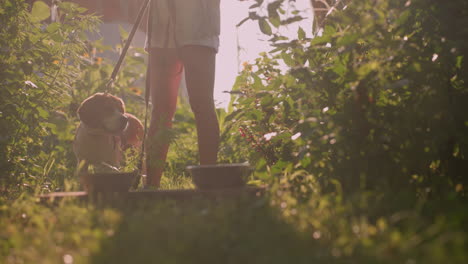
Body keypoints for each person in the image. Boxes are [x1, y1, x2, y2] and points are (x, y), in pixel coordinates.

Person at [145, 0, 220, 187]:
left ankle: (208, 184)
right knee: (160, 111)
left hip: (198, 24)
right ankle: (151, 186)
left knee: (202, 104)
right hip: (162, 25)